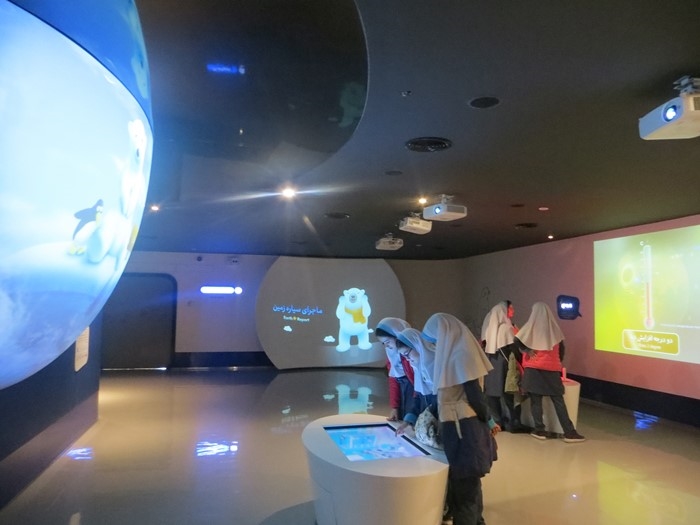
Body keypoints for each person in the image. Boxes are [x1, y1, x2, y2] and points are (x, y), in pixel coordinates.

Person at [422, 313, 498, 525]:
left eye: (435, 341)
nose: (434, 346)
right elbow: (475, 396)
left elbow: (475, 396)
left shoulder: (459, 355)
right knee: (468, 485)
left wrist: (489, 420)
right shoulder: (457, 353)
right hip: (462, 426)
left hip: (462, 428)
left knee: (465, 488)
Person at [515, 302, 586, 443]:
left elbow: (517, 340)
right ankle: (569, 432)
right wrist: (555, 362)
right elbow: (561, 350)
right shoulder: (554, 329)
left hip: (533, 369)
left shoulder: (530, 327)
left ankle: (540, 430)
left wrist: (527, 351)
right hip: (552, 370)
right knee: (558, 400)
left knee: (536, 401)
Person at [480, 301, 524, 432]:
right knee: (509, 393)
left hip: (492, 360)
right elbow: (512, 348)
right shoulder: (506, 327)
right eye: (511, 308)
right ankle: (514, 421)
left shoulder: (490, 330)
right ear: (503, 311)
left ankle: (497, 420)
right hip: (505, 363)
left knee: (492, 393)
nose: (513, 311)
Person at [393, 328, 438, 437]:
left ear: (418, 346)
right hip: (430, 427)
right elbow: (418, 398)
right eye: (404, 356)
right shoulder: (418, 368)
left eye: (407, 354)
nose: (408, 359)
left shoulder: (437, 365)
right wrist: (407, 422)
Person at [375, 317, 414, 421]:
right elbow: (393, 380)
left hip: (414, 394)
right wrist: (394, 407)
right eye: (383, 343)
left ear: (398, 335)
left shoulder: (411, 355)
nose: (386, 346)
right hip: (402, 392)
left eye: (387, 341)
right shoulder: (391, 355)